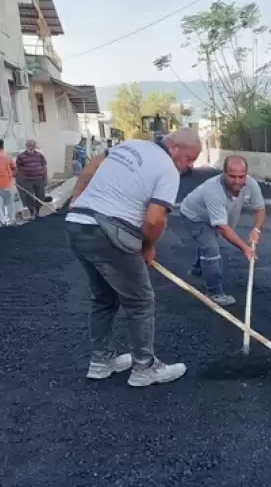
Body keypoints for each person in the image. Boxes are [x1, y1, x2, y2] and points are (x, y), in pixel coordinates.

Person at [65, 129, 202, 387]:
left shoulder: (130, 146)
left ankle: (101, 361)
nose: (190, 166)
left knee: (104, 297)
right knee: (140, 301)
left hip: (78, 224)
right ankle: (144, 368)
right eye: (189, 158)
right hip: (108, 231)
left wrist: (76, 200)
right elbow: (154, 218)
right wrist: (148, 246)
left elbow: (92, 166)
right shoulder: (167, 169)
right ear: (174, 149)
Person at [179, 155, 266, 306]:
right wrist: (245, 248)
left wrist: (256, 230)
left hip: (217, 216)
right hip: (194, 216)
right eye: (232, 176)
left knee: (210, 243)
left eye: (241, 176)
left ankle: (196, 271)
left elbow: (260, 209)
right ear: (223, 173)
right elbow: (222, 228)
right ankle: (215, 293)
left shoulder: (250, 184)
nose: (238, 181)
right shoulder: (213, 190)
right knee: (212, 250)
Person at [15, 139, 48, 219]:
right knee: (29, 196)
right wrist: (21, 179)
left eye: (33, 145)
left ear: (35, 146)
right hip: (28, 180)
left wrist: (45, 177)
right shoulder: (21, 156)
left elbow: (44, 166)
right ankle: (32, 213)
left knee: (40, 196)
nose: (31, 147)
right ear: (26, 146)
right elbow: (18, 169)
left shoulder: (40, 155)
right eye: (29, 145)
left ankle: (37, 213)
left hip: (39, 179)